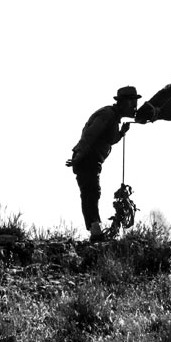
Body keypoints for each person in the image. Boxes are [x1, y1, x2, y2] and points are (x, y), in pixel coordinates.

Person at [66, 86, 140, 241]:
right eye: (132, 102)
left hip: (91, 159)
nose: (135, 106)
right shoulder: (107, 115)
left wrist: (121, 133)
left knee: (92, 192)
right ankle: (95, 231)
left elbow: (109, 139)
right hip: (87, 158)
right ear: (123, 103)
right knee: (91, 192)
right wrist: (78, 157)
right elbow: (90, 136)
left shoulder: (113, 117)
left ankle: (96, 229)